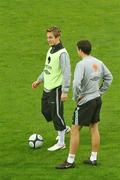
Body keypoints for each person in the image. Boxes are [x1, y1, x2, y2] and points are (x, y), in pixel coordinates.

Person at [56, 40, 113, 169]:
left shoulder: (81, 65)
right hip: (97, 99)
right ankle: (93, 158)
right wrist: (101, 91)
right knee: (94, 128)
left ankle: (70, 161)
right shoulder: (99, 62)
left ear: (80, 50)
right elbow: (109, 77)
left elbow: (76, 83)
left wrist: (76, 97)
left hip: (86, 101)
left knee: (75, 129)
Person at [32, 26, 71, 151]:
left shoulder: (62, 54)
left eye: (50, 37)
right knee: (45, 111)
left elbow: (67, 73)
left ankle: (61, 142)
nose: (48, 40)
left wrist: (65, 91)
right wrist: (39, 80)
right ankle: (64, 129)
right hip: (47, 88)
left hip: (56, 89)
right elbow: (47, 68)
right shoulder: (50, 50)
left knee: (56, 114)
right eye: (47, 37)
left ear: (58, 37)